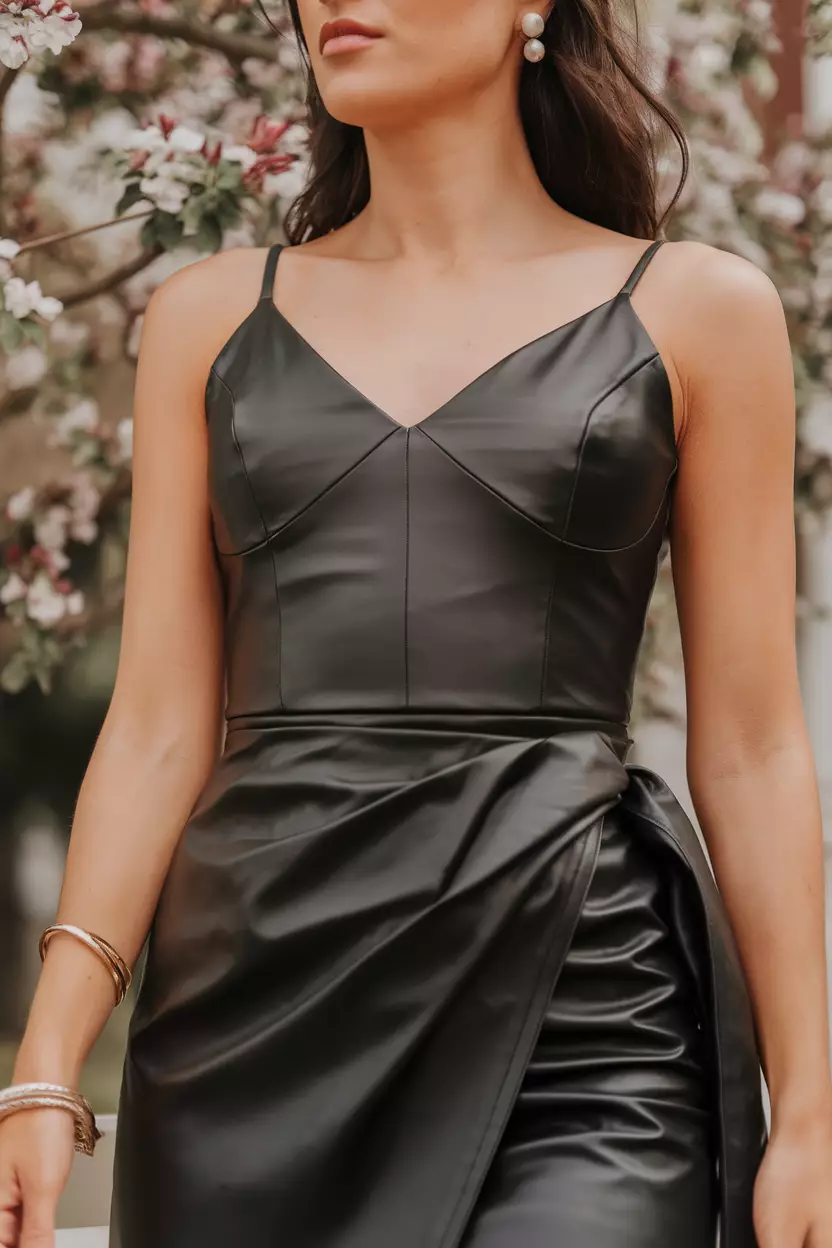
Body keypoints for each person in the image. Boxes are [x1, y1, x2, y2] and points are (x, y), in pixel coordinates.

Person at [2, 0, 831, 1245]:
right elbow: (158, 727)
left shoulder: (703, 311)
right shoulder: (205, 319)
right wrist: (47, 1063)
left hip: (584, 1025)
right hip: (252, 1025)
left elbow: (753, 747)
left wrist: (810, 1109)